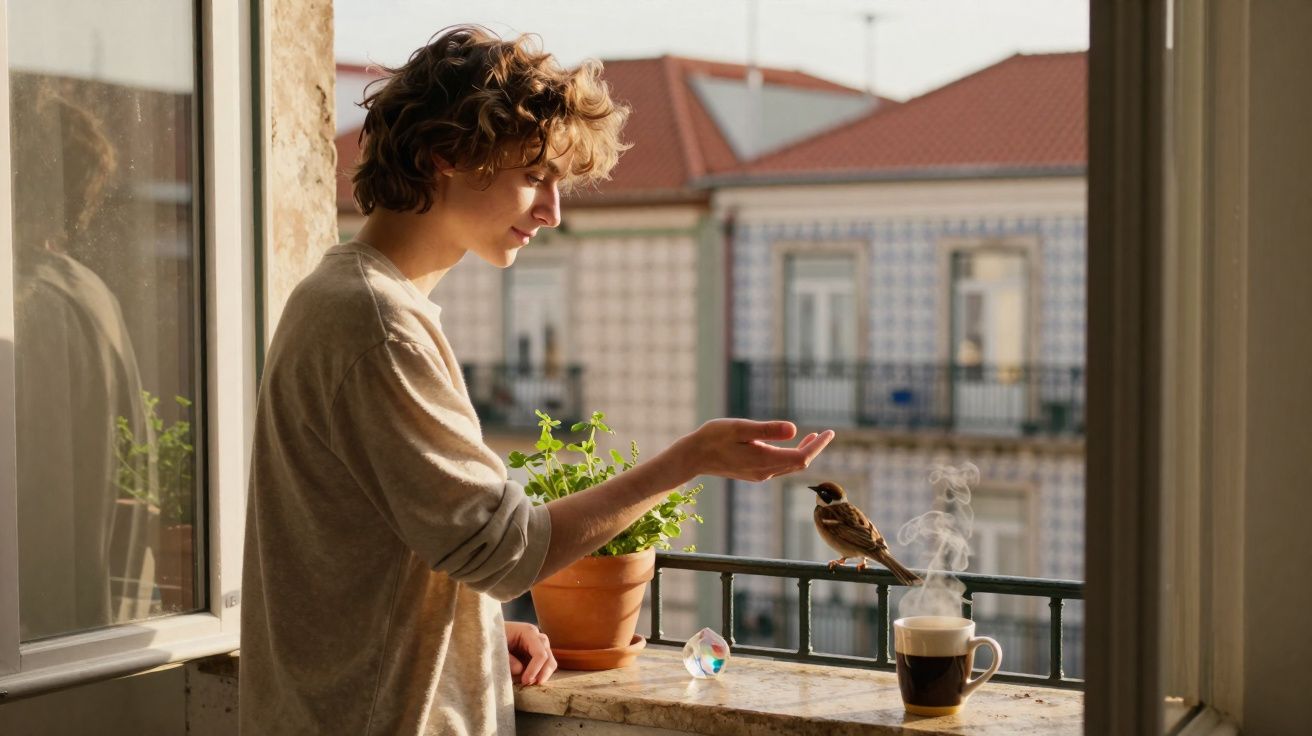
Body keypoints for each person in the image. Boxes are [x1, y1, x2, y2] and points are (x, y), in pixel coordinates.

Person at [239, 25, 835, 735]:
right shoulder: (377, 324)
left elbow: (373, 543)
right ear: (444, 159)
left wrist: (475, 632)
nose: (552, 212)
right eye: (534, 177)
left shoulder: (346, 300)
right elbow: (507, 552)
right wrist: (688, 460)